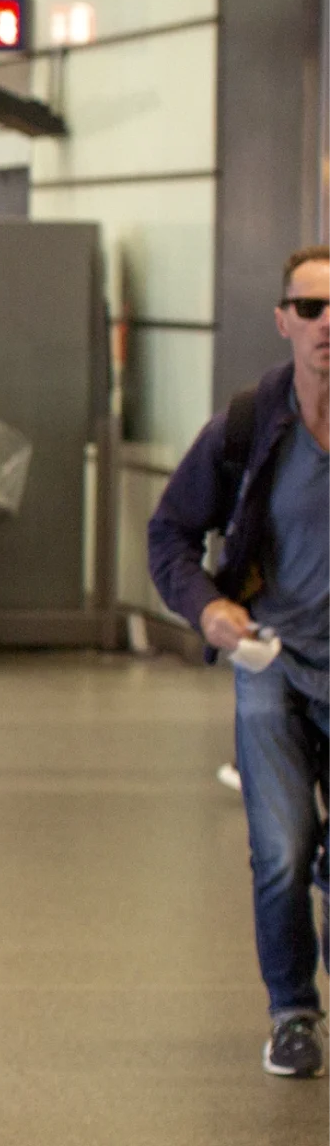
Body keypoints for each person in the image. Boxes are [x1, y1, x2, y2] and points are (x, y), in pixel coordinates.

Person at [147, 245, 330, 1077]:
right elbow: (170, 533)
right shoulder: (251, 421)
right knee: (283, 850)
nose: (328, 326)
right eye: (313, 308)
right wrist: (208, 607)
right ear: (285, 319)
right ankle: (293, 1011)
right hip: (273, 663)